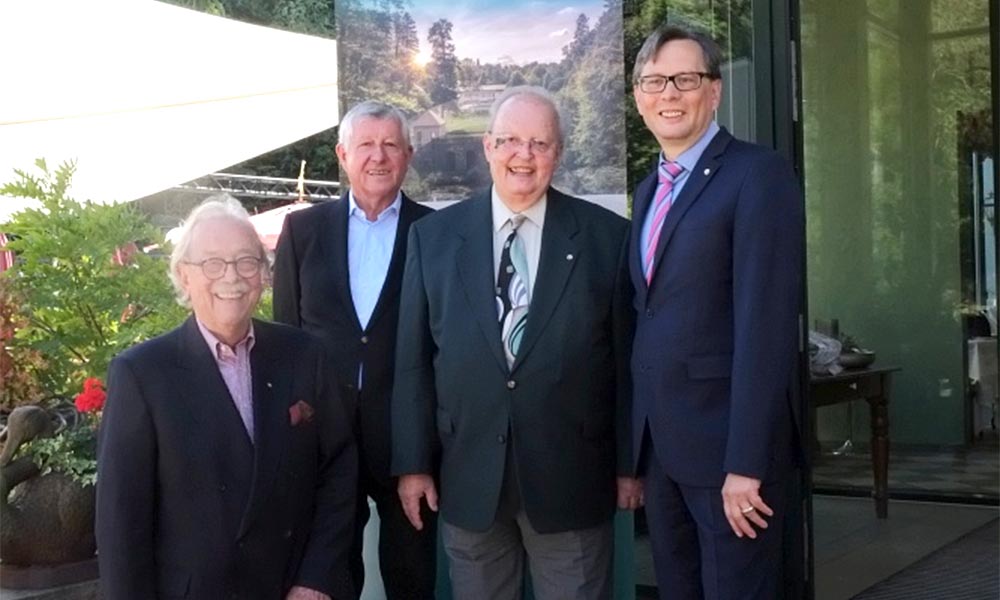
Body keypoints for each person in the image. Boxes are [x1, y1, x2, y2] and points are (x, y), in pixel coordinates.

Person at [391, 86, 640, 600]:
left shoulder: (607, 239)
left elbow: (626, 365)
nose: (522, 156)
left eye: (539, 143)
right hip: (469, 476)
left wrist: (629, 467)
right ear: (487, 146)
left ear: (558, 153)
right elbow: (413, 363)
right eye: (508, 141)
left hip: (571, 479)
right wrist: (413, 464)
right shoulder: (433, 238)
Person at [97, 196, 357, 600]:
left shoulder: (304, 355)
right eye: (213, 264)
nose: (232, 277)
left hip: (293, 590)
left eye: (246, 262)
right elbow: (121, 523)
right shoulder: (142, 374)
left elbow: (339, 470)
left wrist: (316, 578)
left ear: (264, 274)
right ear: (183, 275)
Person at [629, 24, 804, 599]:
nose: (669, 94)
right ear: (638, 97)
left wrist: (746, 464)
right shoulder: (648, 190)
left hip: (730, 458)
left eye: (685, 79)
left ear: (715, 90)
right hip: (663, 454)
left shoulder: (757, 174)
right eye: (654, 81)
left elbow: (765, 327)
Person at [273, 101, 435, 599]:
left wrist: (423, 451)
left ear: (408, 155)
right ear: (343, 155)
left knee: (411, 574)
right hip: (325, 433)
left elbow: (441, 345)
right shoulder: (302, 231)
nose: (378, 157)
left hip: (405, 438)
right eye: (366, 145)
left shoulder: (435, 233)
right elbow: (285, 335)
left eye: (390, 145)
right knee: (330, 572)